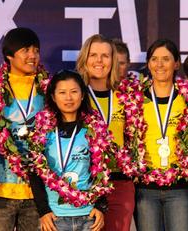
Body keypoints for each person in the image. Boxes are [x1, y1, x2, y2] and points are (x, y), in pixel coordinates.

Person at [120, 38, 188, 231]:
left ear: (176, 63)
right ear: (148, 63)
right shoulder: (135, 99)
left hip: (180, 187)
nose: (159, 64)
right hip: (146, 188)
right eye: (154, 59)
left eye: (166, 59)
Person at [29, 70, 109, 231]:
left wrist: (100, 206)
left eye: (74, 92)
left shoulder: (94, 129)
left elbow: (103, 170)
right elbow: (34, 173)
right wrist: (44, 210)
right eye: (62, 92)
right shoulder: (42, 130)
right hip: (54, 218)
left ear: (82, 95)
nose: (68, 98)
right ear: (53, 97)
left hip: (88, 217)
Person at [0, 27, 48, 231]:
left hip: (36, 192)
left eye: (36, 50)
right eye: (25, 50)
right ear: (9, 55)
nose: (33, 55)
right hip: (0, 192)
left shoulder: (48, 88)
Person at [76, 34, 135, 231]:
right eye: (93, 55)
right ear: (85, 59)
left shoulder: (126, 95)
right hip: (84, 182)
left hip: (119, 182)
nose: (99, 61)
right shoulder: (75, 94)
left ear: (114, 60)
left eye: (105, 55)